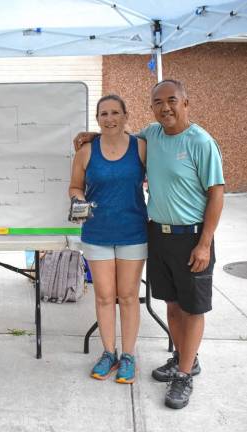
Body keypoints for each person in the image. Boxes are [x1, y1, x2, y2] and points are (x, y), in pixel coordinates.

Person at [74, 79, 224, 409]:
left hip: (193, 237)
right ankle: (184, 359)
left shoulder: (201, 141)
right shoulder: (151, 136)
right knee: (171, 303)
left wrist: (205, 243)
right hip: (157, 234)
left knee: (193, 307)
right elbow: (117, 138)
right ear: (151, 108)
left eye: (172, 100)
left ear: (186, 103)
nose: (165, 107)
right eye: (158, 102)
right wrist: (94, 136)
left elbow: (217, 193)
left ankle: (185, 374)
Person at [69, 94, 147, 384]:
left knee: (127, 296)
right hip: (97, 234)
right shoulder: (87, 151)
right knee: (103, 296)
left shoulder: (141, 147)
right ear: (97, 118)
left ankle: (128, 355)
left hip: (133, 233)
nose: (110, 118)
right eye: (103, 114)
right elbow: (75, 186)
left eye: (115, 112)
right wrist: (79, 202)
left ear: (126, 116)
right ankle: (108, 353)